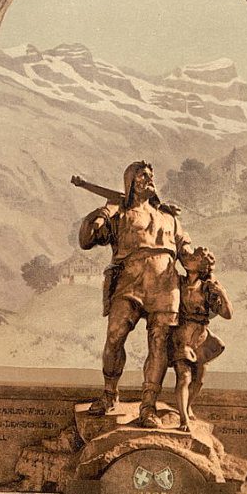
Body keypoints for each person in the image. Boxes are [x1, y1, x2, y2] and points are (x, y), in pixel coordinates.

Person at [78, 160, 192, 425]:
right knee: (115, 334)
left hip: (165, 285)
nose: (148, 179)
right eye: (142, 176)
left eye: (150, 175)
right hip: (129, 280)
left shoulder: (169, 217)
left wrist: (195, 258)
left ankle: (148, 406)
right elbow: (87, 240)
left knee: (159, 342)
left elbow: (185, 249)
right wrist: (102, 213)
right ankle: (109, 394)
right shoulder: (120, 214)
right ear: (130, 182)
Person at [169, 247, 233, 431]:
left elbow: (227, 314)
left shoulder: (207, 287)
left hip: (201, 336)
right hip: (182, 335)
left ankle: (187, 406)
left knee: (199, 380)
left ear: (201, 266)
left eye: (194, 258)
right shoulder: (178, 281)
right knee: (184, 377)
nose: (188, 259)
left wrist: (222, 293)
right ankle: (183, 420)